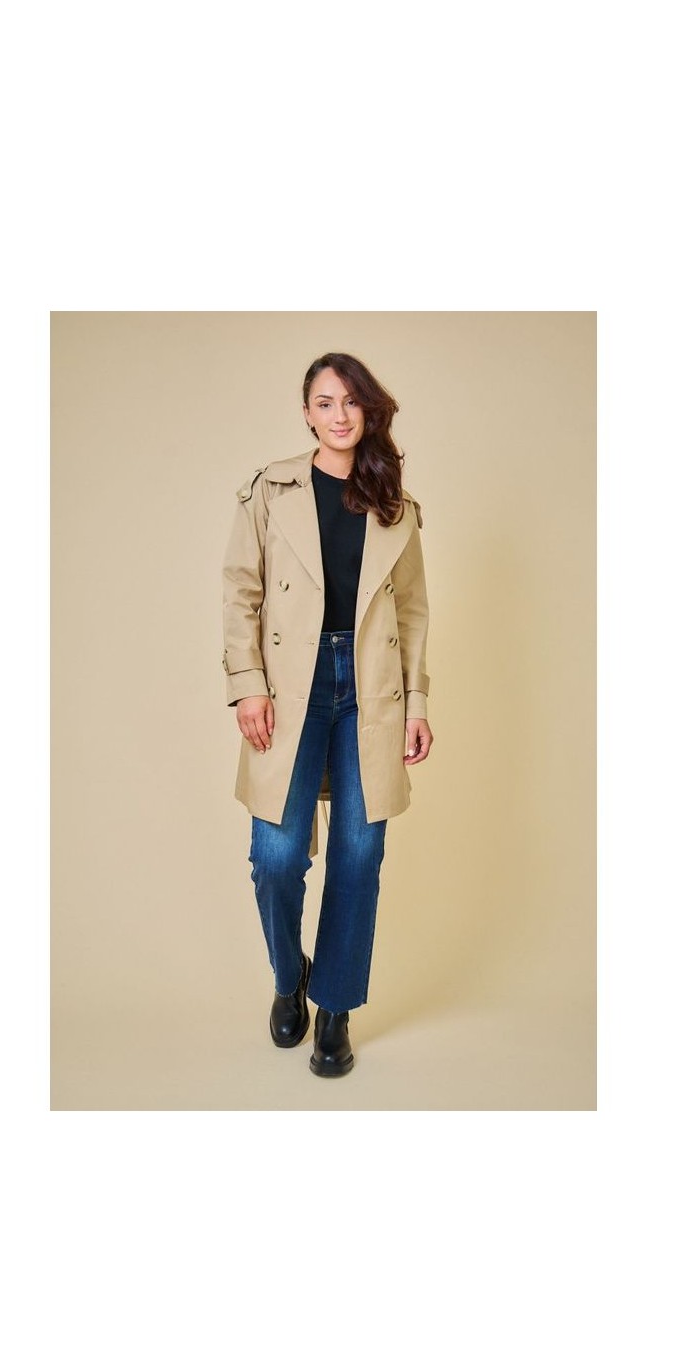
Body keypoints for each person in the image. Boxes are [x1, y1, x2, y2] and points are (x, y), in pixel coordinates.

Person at [221, 352, 433, 1077]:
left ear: (368, 410)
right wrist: (248, 684)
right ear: (307, 413)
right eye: (324, 402)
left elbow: (412, 611)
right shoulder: (270, 490)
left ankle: (335, 1008)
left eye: (351, 402)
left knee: (358, 855)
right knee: (277, 856)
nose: (339, 415)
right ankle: (292, 978)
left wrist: (417, 702)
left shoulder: (394, 503)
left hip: (370, 690)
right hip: (290, 685)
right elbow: (241, 590)